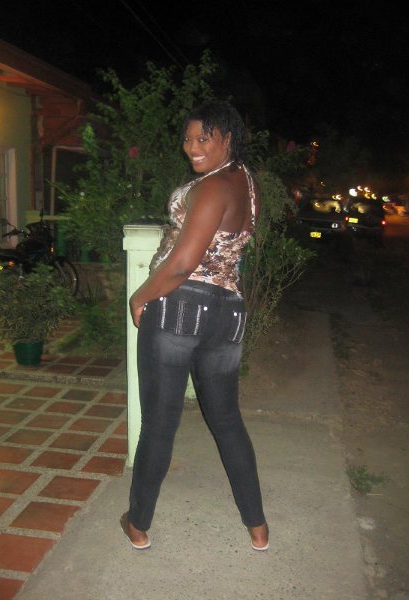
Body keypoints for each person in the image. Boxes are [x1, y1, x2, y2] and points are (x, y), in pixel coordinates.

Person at [120, 100, 269, 552]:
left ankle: (138, 523)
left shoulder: (213, 186)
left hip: (180, 308)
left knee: (160, 423)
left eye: (204, 138)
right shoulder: (246, 183)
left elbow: (184, 263)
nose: (192, 147)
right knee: (227, 420)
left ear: (228, 138)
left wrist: (140, 296)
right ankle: (257, 527)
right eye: (187, 139)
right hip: (229, 312)